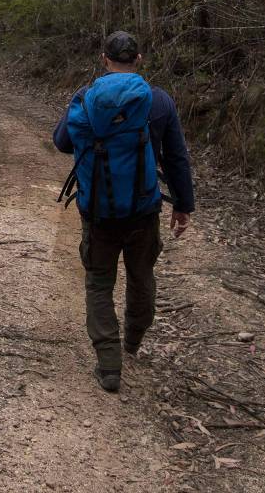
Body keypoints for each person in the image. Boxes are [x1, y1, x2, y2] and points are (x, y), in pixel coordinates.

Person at [53, 31, 195, 393]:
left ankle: (109, 362)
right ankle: (133, 340)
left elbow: (61, 142)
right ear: (139, 59)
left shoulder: (85, 98)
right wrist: (183, 204)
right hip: (143, 211)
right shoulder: (158, 102)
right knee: (142, 274)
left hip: (98, 213)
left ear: (104, 59)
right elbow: (176, 156)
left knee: (99, 282)